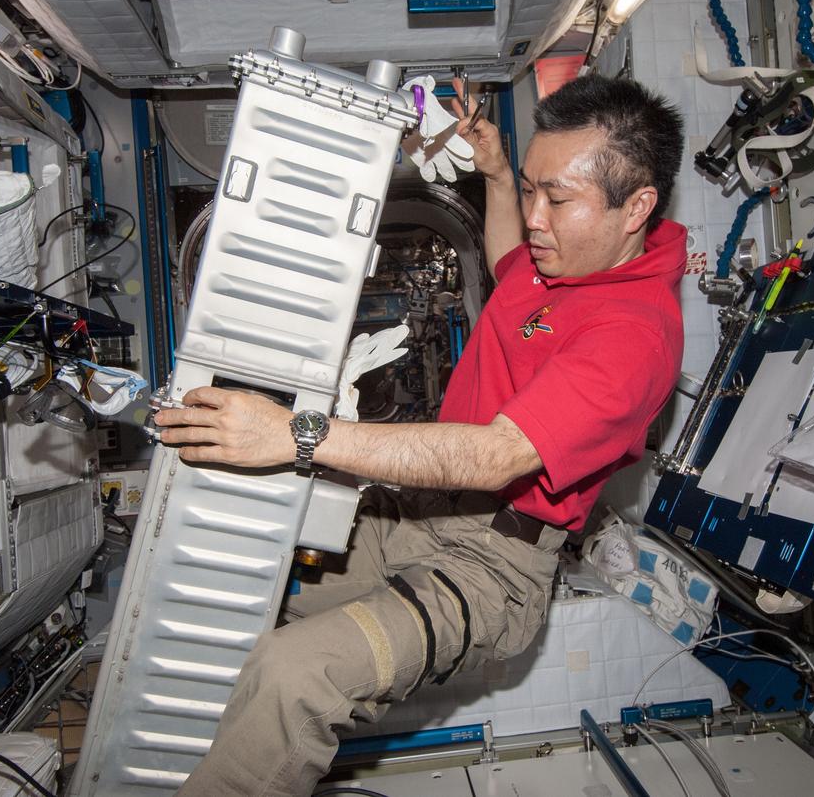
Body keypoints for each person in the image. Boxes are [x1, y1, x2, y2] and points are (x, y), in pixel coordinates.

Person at [158, 74, 687, 797]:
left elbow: (498, 455)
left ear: (637, 208)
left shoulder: (635, 335)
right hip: (414, 520)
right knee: (231, 588)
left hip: (490, 567)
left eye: (556, 199)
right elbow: (509, 270)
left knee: (295, 676)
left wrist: (298, 434)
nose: (535, 218)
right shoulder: (564, 262)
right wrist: (497, 174)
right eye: (531, 190)